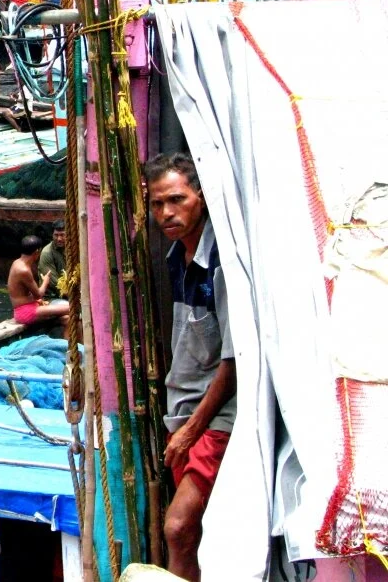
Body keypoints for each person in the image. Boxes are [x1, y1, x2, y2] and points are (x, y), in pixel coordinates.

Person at [144, 152, 236, 582]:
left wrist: (190, 431)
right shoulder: (176, 259)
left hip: (213, 419)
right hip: (183, 414)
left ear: (200, 196)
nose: (166, 212)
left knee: (177, 528)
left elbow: (234, 361)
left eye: (176, 200)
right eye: (157, 203)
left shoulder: (221, 264)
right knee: (195, 533)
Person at [7, 235, 69, 331]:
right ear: (37, 252)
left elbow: (25, 293)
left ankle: (71, 346)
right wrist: (45, 281)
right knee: (72, 308)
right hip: (25, 312)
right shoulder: (24, 270)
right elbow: (38, 295)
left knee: (67, 319)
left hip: (29, 307)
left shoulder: (17, 262)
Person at [37, 219, 67, 300]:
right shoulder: (47, 252)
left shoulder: (75, 249)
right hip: (53, 296)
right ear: (52, 235)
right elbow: (55, 284)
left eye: (62, 235)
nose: (59, 239)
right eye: (56, 235)